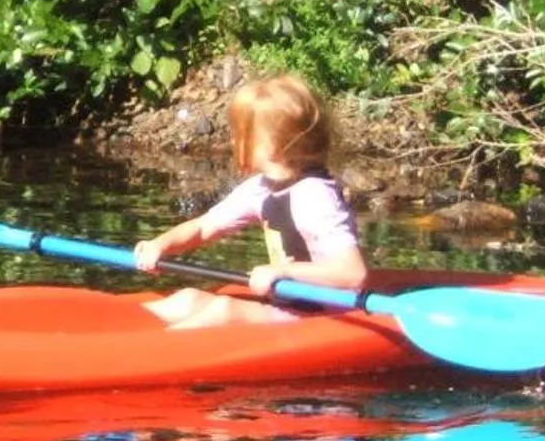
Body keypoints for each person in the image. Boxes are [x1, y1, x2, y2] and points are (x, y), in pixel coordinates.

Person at [131, 72, 369, 330]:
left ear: (274, 147)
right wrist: (160, 245)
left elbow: (353, 273)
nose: (234, 141)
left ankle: (152, 355)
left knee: (224, 310)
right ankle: (119, 333)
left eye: (242, 134)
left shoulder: (315, 197)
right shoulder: (261, 189)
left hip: (325, 316)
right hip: (288, 306)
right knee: (187, 300)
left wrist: (283, 271)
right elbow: (203, 227)